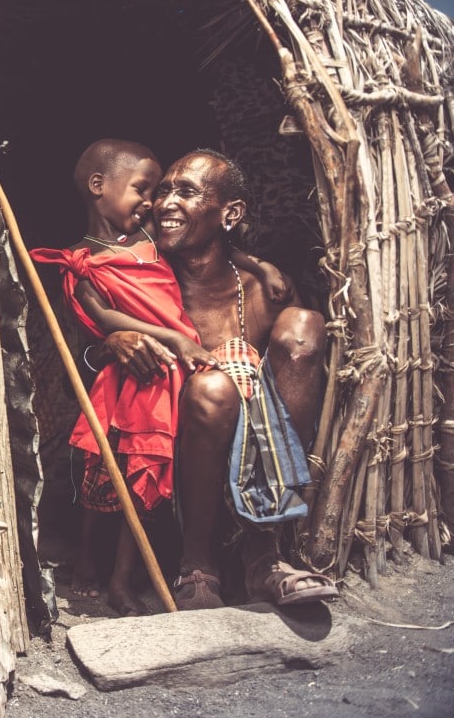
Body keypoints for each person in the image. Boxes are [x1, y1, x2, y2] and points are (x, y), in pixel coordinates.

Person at [31, 140, 287, 615]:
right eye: (144, 190)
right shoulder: (78, 262)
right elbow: (97, 326)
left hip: (166, 375)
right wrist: (168, 340)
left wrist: (261, 265)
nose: (156, 203)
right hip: (123, 376)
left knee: (151, 470)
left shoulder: (152, 240)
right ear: (97, 187)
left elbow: (228, 250)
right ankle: (90, 562)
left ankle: (128, 577)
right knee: (107, 471)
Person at [106, 148, 338, 609]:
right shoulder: (141, 279)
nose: (167, 202)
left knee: (305, 326)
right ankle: (198, 567)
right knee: (212, 388)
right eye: (165, 190)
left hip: (259, 449)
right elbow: (82, 342)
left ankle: (265, 555)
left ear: (229, 213)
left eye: (187, 192)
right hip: (167, 452)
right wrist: (113, 342)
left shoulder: (262, 289)